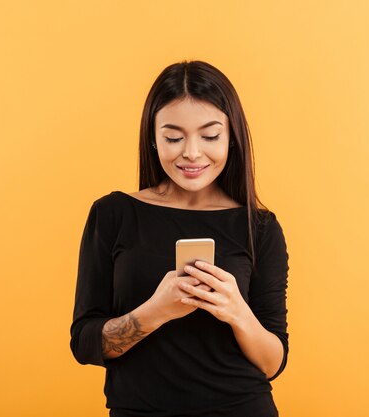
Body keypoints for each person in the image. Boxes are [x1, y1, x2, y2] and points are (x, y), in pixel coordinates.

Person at [70, 60, 289, 417]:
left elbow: (272, 363)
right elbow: (84, 344)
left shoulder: (260, 226)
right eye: (173, 137)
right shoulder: (113, 214)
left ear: (232, 138)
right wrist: (156, 312)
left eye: (210, 135)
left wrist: (237, 312)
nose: (191, 152)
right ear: (153, 140)